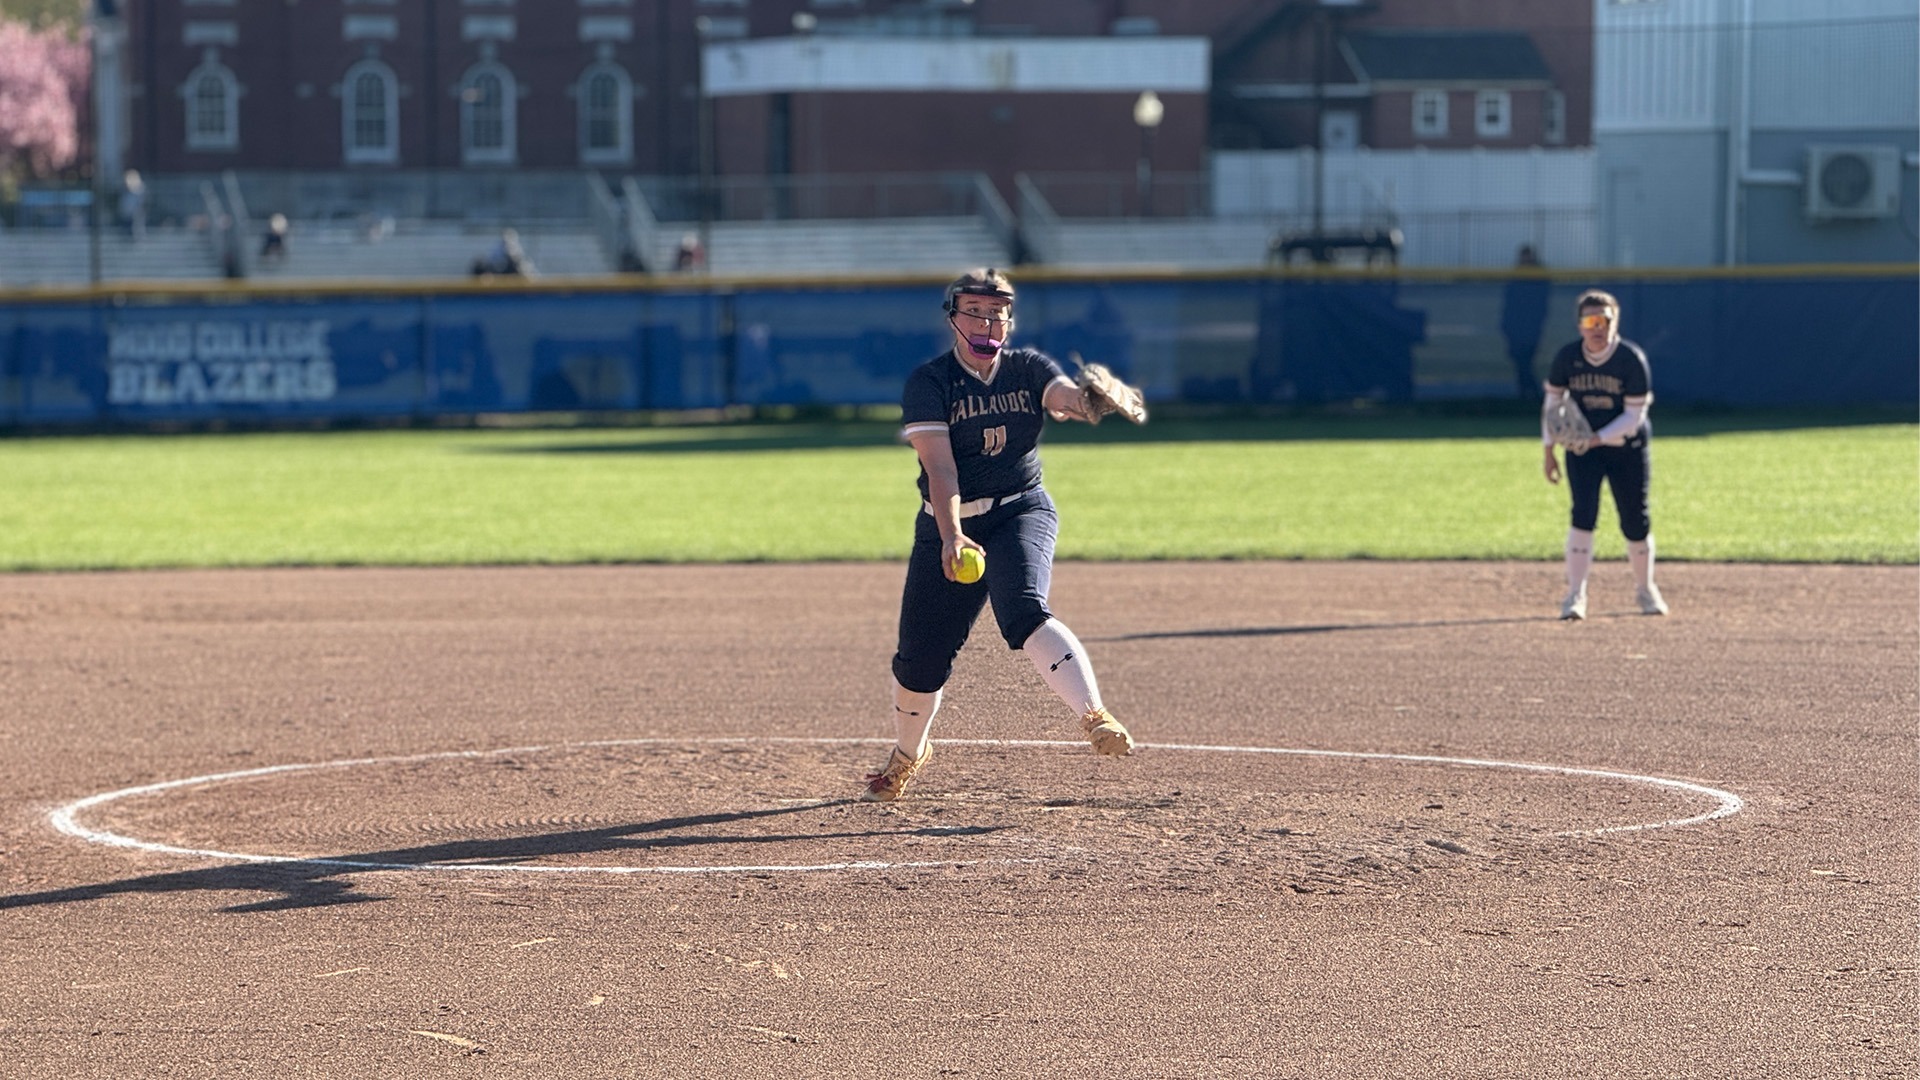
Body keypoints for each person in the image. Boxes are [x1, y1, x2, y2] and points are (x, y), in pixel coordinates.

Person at [861, 268, 1136, 802]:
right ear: (953, 317)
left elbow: (1061, 396)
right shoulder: (931, 383)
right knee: (919, 660)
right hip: (948, 524)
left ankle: (1095, 716)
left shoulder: (1028, 368)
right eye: (974, 310)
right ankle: (908, 754)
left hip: (1020, 510)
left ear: (1009, 320)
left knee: (1024, 607)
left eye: (997, 311)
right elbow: (941, 470)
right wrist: (952, 536)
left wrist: (1091, 398)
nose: (986, 321)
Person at [1541, 289, 1668, 620]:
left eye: (1605, 320)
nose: (1598, 328)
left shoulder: (1630, 360)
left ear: (1616, 322)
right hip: (1583, 449)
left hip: (1627, 448)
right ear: (1580, 325)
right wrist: (1548, 449)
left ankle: (1645, 590)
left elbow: (1634, 417)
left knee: (1635, 519)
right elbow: (1552, 405)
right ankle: (1575, 595)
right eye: (1590, 321)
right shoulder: (1567, 358)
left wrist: (1595, 439)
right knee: (1582, 514)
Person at [1500, 244, 1550, 399]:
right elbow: (1508, 302)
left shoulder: (1539, 275)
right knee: (1519, 361)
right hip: (1515, 327)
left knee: (1525, 360)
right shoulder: (1516, 275)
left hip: (1531, 327)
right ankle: (1528, 393)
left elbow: (1542, 303)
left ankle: (1532, 393)